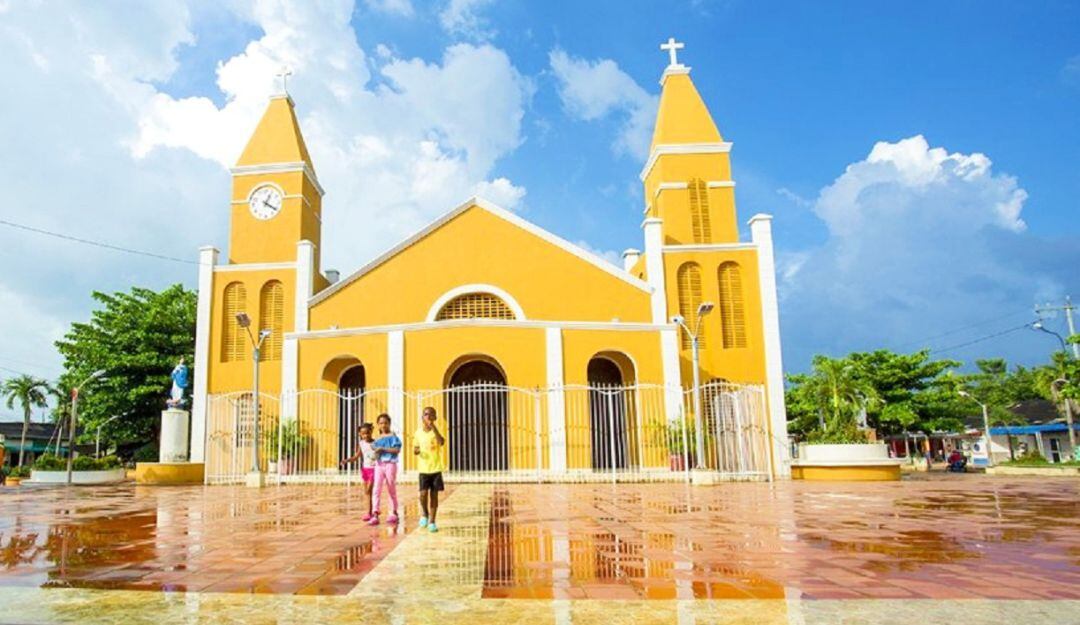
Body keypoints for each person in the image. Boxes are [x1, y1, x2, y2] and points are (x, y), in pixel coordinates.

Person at [413, 406, 446, 533]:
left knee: (434, 496)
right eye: (426, 414)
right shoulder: (418, 433)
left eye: (432, 415)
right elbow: (415, 448)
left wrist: (434, 428)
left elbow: (441, 442)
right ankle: (425, 514)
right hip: (423, 469)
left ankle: (432, 521)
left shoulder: (436, 431)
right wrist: (416, 450)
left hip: (436, 469)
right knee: (422, 494)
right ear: (422, 418)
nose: (429, 417)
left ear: (435, 418)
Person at [339, 422, 378, 521]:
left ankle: (375, 511)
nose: (365, 435)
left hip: (374, 469)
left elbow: (380, 455)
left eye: (367, 433)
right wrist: (347, 460)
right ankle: (368, 513)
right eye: (363, 434)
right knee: (367, 492)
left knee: (369, 490)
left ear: (371, 432)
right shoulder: (361, 443)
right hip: (365, 469)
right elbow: (357, 456)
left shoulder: (376, 443)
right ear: (360, 434)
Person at [370, 413, 402, 525]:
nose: (383, 425)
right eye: (381, 423)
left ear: (389, 423)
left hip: (390, 464)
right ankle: (375, 513)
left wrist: (383, 449)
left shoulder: (393, 436)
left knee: (391, 487)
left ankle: (393, 512)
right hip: (379, 465)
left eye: (385, 423)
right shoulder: (377, 439)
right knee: (376, 488)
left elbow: (397, 450)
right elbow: (374, 450)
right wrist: (375, 451)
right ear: (378, 425)